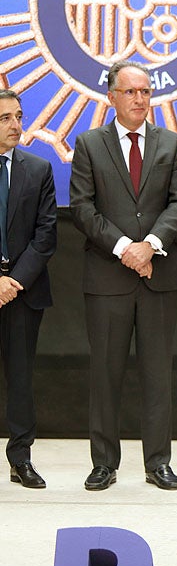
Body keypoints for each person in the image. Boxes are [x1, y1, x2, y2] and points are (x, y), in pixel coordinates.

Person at [69, 60, 177, 491]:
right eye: (131, 92)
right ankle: (104, 462)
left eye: (145, 91)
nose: (140, 99)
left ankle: (158, 462)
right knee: (106, 373)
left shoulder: (170, 143)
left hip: (159, 275)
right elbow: (83, 208)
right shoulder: (88, 144)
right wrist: (125, 248)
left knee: (158, 374)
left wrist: (150, 245)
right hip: (107, 277)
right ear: (112, 97)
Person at [0, 90, 57, 490]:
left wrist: (13, 280)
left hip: (22, 292)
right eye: (5, 118)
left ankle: (20, 458)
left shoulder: (38, 169)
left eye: (18, 116)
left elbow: (46, 234)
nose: (16, 124)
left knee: (20, 380)